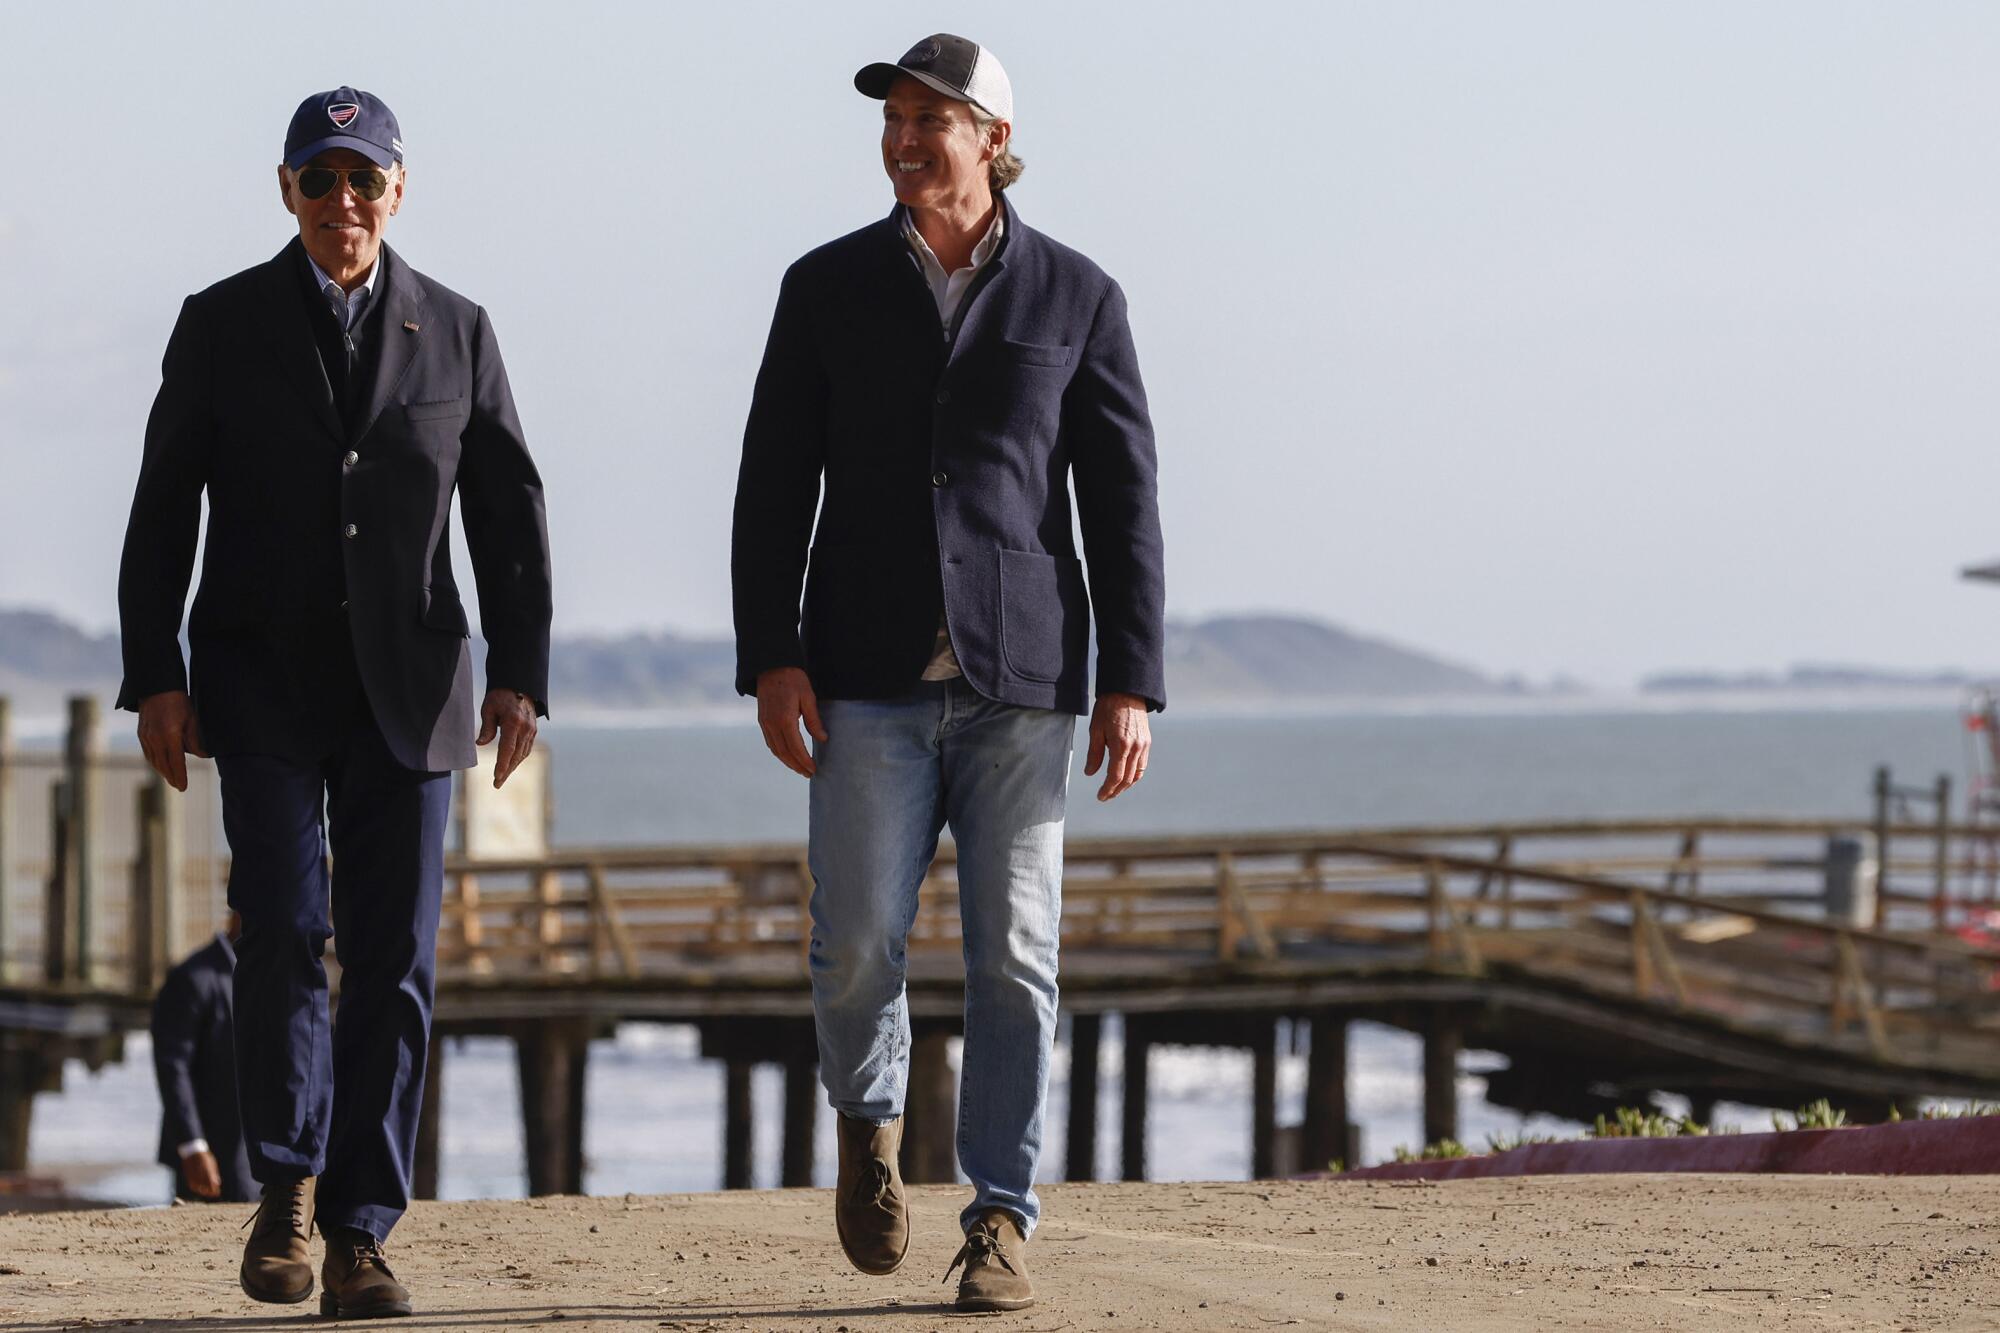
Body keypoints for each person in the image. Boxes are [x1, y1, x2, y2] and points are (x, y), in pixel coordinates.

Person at [731, 33, 1166, 1313]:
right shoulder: (823, 287)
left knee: (1015, 960)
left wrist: (1128, 678)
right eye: (895, 120)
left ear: (992, 138)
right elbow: (771, 482)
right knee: (857, 939)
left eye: (935, 119)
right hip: (861, 670)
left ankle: (997, 1216)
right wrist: (770, 654)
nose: (907, 139)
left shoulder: (1078, 297)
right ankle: (869, 1126)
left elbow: (1122, 502)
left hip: (1021, 679)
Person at [116, 86, 552, 1319]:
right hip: (258, 683)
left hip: (410, 690)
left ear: (398, 190)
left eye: (365, 181)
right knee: (284, 932)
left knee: (399, 957)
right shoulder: (221, 324)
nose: (344, 204)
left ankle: (363, 1230)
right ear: (287, 190)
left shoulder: (456, 330)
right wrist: (154, 673)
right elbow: (163, 507)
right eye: (321, 180)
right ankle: (290, 1188)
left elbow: (509, 513)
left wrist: (521, 671)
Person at [152, 912, 255, 1204]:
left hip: (260, 1152)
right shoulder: (193, 977)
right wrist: (192, 1145)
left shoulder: (271, 978)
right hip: (214, 1152)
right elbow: (173, 1067)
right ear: (238, 914)